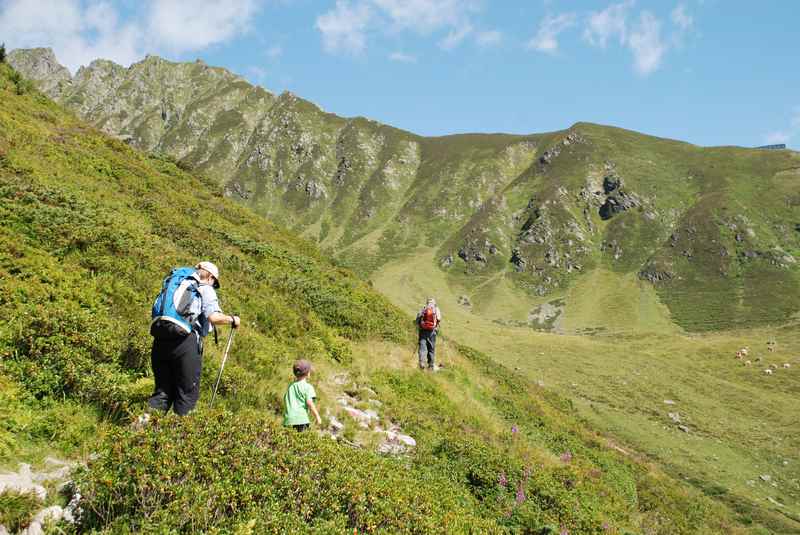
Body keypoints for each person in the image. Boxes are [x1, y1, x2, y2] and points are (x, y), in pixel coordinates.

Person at [148, 261, 240, 415]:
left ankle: (139, 432)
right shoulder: (205, 288)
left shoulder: (177, 282)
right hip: (186, 343)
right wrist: (233, 319)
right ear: (210, 277)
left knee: (161, 394)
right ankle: (180, 436)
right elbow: (214, 317)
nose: (213, 285)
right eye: (214, 282)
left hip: (161, 339)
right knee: (187, 396)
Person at [283, 359, 322, 431]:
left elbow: (285, 400)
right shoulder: (308, 387)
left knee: (288, 441)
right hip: (301, 420)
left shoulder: (290, 386)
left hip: (288, 420)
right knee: (301, 439)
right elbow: (309, 402)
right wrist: (317, 416)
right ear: (308, 373)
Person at [416, 297, 442, 371]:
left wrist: (418, 325)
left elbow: (418, 318)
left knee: (422, 347)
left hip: (423, 331)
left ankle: (422, 363)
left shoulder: (424, 308)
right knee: (431, 349)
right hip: (432, 332)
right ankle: (430, 366)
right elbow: (439, 319)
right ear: (434, 303)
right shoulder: (436, 309)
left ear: (427, 302)